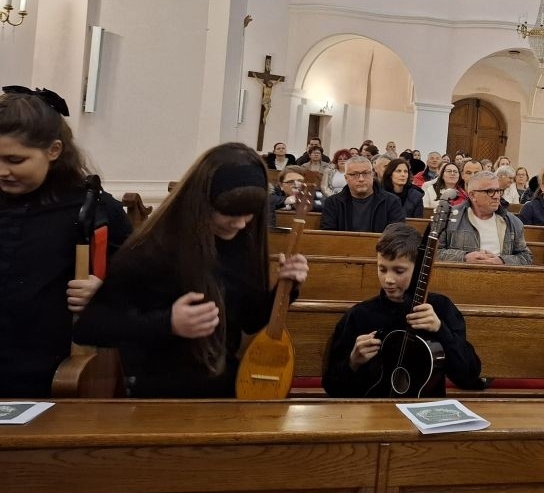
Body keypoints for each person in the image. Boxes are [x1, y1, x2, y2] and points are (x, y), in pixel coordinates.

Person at [75, 142, 308, 397]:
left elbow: (250, 321)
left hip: (223, 390)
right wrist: (168, 323)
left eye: (249, 215)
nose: (241, 224)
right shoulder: (153, 248)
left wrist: (286, 286)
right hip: (159, 397)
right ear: (201, 203)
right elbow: (91, 326)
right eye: (229, 213)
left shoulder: (242, 244)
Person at [0, 87, 131, 397]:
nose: (2, 171)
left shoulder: (93, 208)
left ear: (54, 150)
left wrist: (105, 288)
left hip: (50, 372)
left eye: (15, 160)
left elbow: (143, 279)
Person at [321, 223, 482, 397]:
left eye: (399, 271)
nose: (388, 279)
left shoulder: (440, 308)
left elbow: (468, 376)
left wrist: (440, 329)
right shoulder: (359, 315)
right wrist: (353, 361)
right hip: (374, 409)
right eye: (382, 269)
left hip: (425, 407)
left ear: (418, 269)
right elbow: (333, 388)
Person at [436, 170, 533, 265]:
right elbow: (434, 252)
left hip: (499, 274)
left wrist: (502, 260)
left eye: (498, 191)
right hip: (460, 274)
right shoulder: (449, 218)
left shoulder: (513, 222)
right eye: (490, 191)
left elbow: (526, 257)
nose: (496, 196)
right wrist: (464, 257)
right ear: (472, 195)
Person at [320, 155, 406, 231]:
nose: (361, 179)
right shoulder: (332, 203)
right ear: (346, 178)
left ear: (372, 175)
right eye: (354, 174)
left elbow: (397, 234)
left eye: (365, 173)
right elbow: (329, 235)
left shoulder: (391, 201)